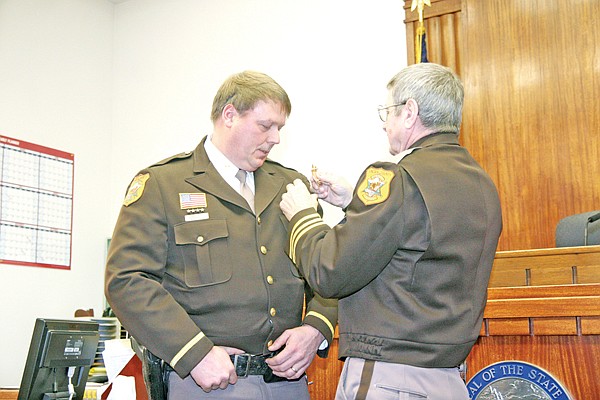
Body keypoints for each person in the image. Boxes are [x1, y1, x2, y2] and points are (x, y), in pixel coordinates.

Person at [105, 70, 337, 400]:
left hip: (287, 382)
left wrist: (316, 327)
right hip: (207, 382)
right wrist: (192, 352)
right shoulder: (164, 185)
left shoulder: (291, 185)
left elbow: (328, 267)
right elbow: (127, 280)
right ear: (229, 115)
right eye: (265, 126)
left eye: (280, 128)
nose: (275, 138)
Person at [279, 63, 502, 400]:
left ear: (409, 112)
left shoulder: (396, 177)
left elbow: (329, 272)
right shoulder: (481, 183)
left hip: (391, 378)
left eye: (388, 112)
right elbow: (419, 239)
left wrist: (302, 217)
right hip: (447, 378)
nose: (384, 123)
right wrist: (354, 201)